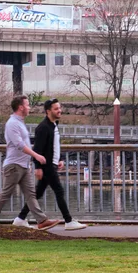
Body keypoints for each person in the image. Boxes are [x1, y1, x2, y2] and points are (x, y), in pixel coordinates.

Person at [0, 94, 58, 230]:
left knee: (31, 194)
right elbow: (19, 144)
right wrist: (36, 155)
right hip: (13, 166)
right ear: (20, 107)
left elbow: (23, 143)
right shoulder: (12, 124)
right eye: (27, 105)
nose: (29, 107)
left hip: (24, 166)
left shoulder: (19, 122)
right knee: (6, 192)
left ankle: (41, 220)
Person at [15, 99, 87, 230]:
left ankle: (20, 218)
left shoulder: (54, 125)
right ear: (48, 111)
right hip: (46, 166)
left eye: (59, 108)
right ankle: (68, 221)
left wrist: (58, 159)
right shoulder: (43, 127)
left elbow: (53, 146)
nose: (59, 110)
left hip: (51, 164)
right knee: (59, 190)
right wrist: (38, 167)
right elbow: (38, 148)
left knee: (38, 193)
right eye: (56, 109)